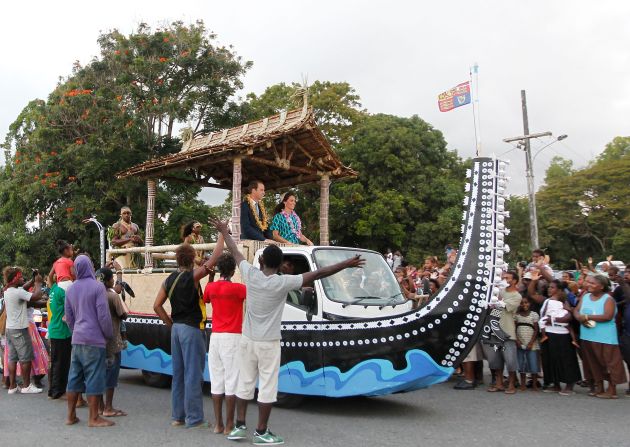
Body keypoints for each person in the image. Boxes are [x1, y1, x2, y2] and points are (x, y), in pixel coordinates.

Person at [210, 216, 365, 445]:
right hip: (269, 343)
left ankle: (239, 427)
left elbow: (234, 251)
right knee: (268, 387)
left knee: (244, 383)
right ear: (280, 264)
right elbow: (318, 274)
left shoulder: (251, 275)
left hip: (247, 340)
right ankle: (261, 431)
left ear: (261, 262)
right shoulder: (284, 283)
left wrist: (224, 230)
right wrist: (346, 264)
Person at [153, 235, 224, 428]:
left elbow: (157, 306)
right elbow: (215, 258)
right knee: (193, 374)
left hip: (176, 329)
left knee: (179, 374)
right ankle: (194, 418)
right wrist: (222, 235)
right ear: (192, 259)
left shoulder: (169, 280)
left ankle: (178, 417)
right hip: (192, 329)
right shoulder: (192, 276)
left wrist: (171, 324)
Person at [64, 255, 114, 427]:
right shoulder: (98, 287)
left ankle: (70, 416)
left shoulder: (70, 289)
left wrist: (75, 331)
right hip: (94, 340)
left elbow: (68, 317)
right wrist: (108, 335)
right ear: (90, 267)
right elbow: (104, 316)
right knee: (94, 377)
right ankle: (93, 418)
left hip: (77, 338)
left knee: (74, 377)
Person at [203, 253, 246, 435]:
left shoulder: (211, 288)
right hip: (233, 337)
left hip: (216, 338)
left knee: (217, 382)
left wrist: (211, 277)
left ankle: (218, 424)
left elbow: (206, 298)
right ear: (233, 270)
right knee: (232, 382)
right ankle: (229, 425)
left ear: (219, 269)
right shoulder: (239, 289)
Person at [574, 274, 627, 399]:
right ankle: (599, 386)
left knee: (609, 363)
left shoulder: (608, 299)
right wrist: (578, 317)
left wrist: (587, 317)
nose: (589, 285)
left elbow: (607, 316)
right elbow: (576, 310)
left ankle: (612, 389)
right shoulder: (586, 296)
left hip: (605, 338)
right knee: (592, 363)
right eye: (589, 283)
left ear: (602, 286)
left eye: (593, 283)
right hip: (587, 335)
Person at [530, 273, 581, 395]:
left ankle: (569, 384)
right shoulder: (546, 300)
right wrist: (534, 280)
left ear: (558, 290)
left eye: (552, 287)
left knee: (565, 359)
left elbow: (569, 316)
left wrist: (554, 320)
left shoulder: (564, 301)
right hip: (548, 332)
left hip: (562, 333)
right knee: (550, 359)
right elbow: (532, 294)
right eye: (549, 287)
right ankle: (556, 383)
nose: (549, 289)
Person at [2, 266, 45, 394]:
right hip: (20, 329)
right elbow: (37, 296)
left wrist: (32, 280)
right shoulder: (18, 292)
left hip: (10, 329)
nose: (22, 278)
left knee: (12, 358)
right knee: (25, 358)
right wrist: (38, 283)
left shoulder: (8, 290)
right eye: (20, 277)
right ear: (14, 279)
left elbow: (24, 287)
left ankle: (12, 386)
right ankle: (26, 386)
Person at [95, 267, 128, 417]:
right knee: (111, 376)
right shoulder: (113, 296)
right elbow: (123, 315)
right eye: (112, 278)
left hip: (97, 341)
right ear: (109, 280)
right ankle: (108, 408)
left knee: (99, 375)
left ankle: (100, 407)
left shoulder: (94, 295)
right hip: (113, 341)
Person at [482, 270, 521, 395]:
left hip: (507, 330)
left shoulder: (516, 296)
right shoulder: (499, 291)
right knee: (495, 359)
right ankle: (498, 383)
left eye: (507, 278)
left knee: (510, 360)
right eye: (503, 277)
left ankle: (511, 383)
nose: (504, 280)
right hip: (494, 329)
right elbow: (494, 310)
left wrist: (497, 298)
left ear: (514, 280)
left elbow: (505, 307)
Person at [47, 282, 73, 400]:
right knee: (61, 363)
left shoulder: (54, 288)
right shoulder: (63, 292)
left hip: (55, 329)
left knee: (56, 362)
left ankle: (53, 390)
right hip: (61, 331)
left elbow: (50, 280)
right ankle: (58, 391)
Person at [515, 297, 540, 392]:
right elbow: (514, 328)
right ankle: (522, 383)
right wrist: (517, 341)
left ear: (530, 303)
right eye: (522, 303)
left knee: (533, 363)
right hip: (520, 341)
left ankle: (534, 384)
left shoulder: (534, 315)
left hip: (531, 342)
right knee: (521, 363)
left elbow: (536, 330)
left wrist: (531, 342)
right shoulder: (517, 315)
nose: (524, 304)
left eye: (526, 302)